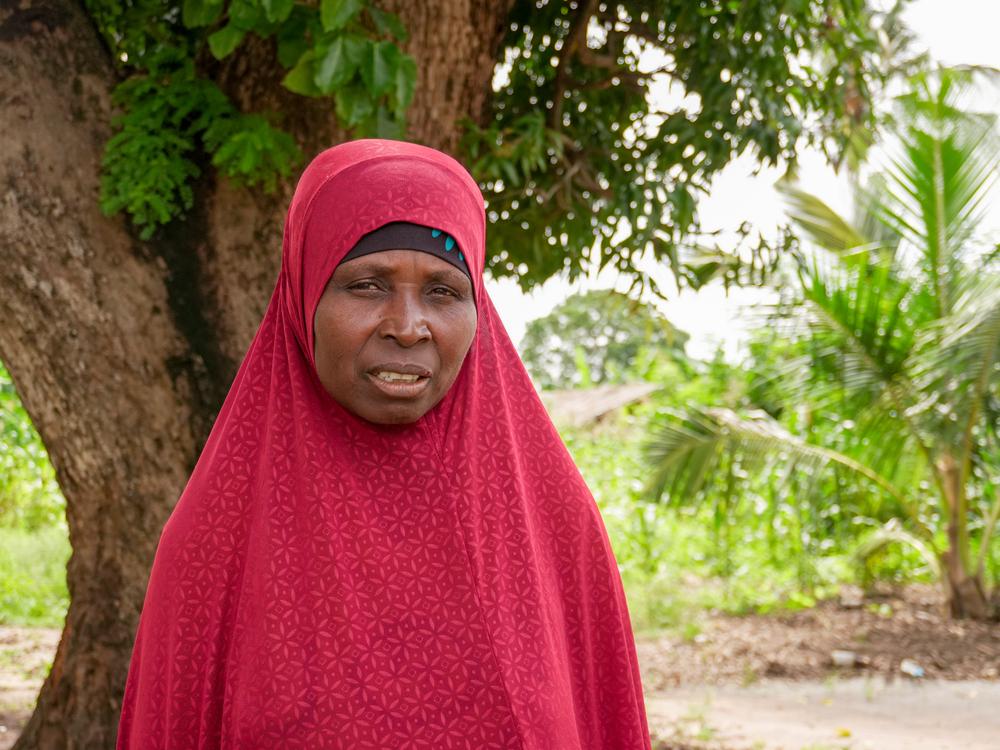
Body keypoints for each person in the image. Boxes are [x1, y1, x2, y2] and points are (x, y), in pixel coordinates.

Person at [116, 139, 651, 749]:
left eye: (444, 292)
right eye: (368, 285)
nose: (407, 325)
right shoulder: (216, 540)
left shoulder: (554, 526)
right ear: (303, 295)